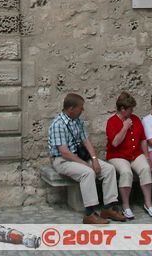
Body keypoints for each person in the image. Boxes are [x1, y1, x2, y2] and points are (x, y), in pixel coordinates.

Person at [48, 93, 125, 225]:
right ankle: (89, 214)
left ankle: (108, 208)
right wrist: (86, 164)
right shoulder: (57, 124)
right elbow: (64, 152)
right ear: (71, 109)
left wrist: (94, 159)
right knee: (87, 173)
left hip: (78, 157)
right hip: (62, 160)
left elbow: (86, 141)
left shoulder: (78, 122)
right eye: (81, 108)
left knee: (108, 169)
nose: (82, 110)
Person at [106, 91, 152, 219]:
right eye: (130, 109)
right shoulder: (112, 122)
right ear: (122, 109)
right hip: (117, 155)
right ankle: (126, 206)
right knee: (126, 172)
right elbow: (115, 143)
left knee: (145, 168)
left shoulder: (135, 119)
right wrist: (124, 127)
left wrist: (146, 156)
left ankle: (148, 203)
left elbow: (143, 139)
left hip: (135, 154)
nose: (132, 112)